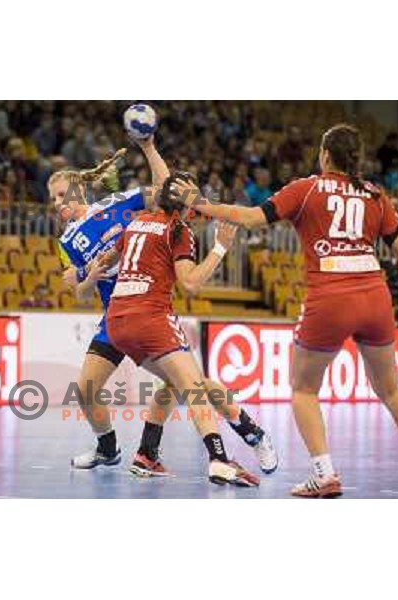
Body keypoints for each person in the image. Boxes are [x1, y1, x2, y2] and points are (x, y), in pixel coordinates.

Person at [171, 123, 398, 498]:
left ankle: (324, 474)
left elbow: (247, 217)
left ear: (325, 155)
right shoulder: (375, 195)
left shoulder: (306, 188)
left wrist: (199, 204)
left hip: (330, 296)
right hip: (375, 296)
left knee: (304, 389)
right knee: (392, 389)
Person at [102, 172, 278, 486]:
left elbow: (107, 259)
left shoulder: (138, 222)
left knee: (177, 382)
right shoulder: (179, 230)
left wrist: (88, 274)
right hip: (150, 317)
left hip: (117, 321)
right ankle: (221, 459)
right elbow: (191, 282)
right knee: (196, 387)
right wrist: (221, 248)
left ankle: (146, 454)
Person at [48, 138, 166, 469]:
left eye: (61, 195)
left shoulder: (116, 203)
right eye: (53, 199)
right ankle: (108, 449)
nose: (57, 203)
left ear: (77, 190)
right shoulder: (66, 242)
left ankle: (150, 450)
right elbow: (79, 292)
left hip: (144, 307)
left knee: (181, 381)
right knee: (86, 390)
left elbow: (163, 189)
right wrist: (90, 277)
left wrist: (149, 148)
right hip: (114, 319)